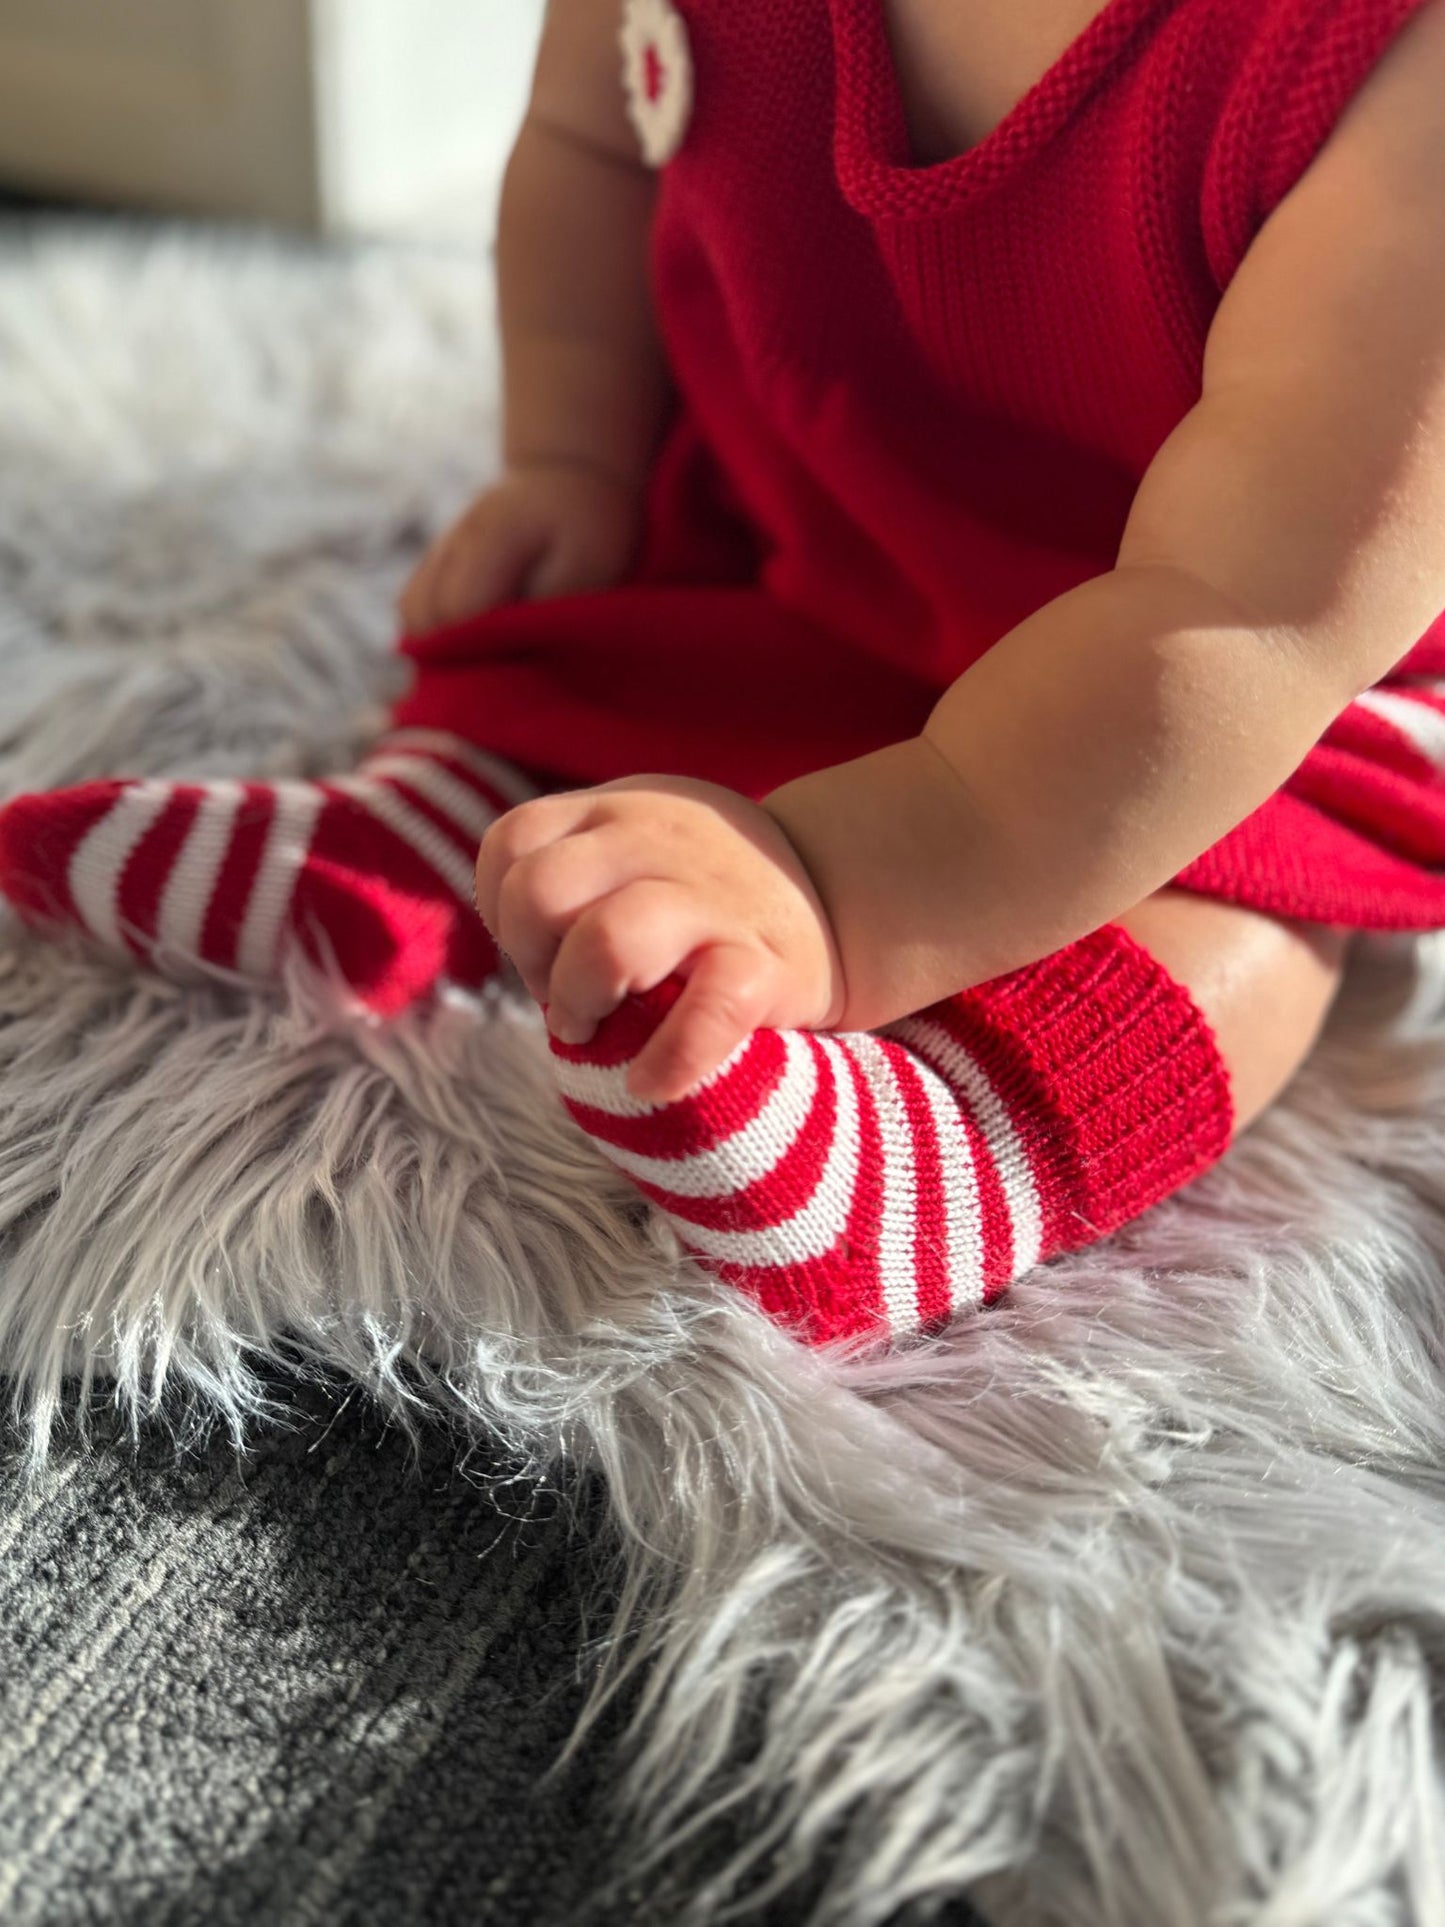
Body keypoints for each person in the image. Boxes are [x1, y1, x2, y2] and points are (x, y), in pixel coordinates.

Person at [4, 0, 1444, 1350]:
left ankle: (959, 1134)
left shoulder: (1393, 79)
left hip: (1239, 654)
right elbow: (588, 144)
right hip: (827, 510)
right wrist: (570, 459)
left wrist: (832, 891)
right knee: (607, 601)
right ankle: (472, 835)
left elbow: (1246, 615)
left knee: (1243, 872)